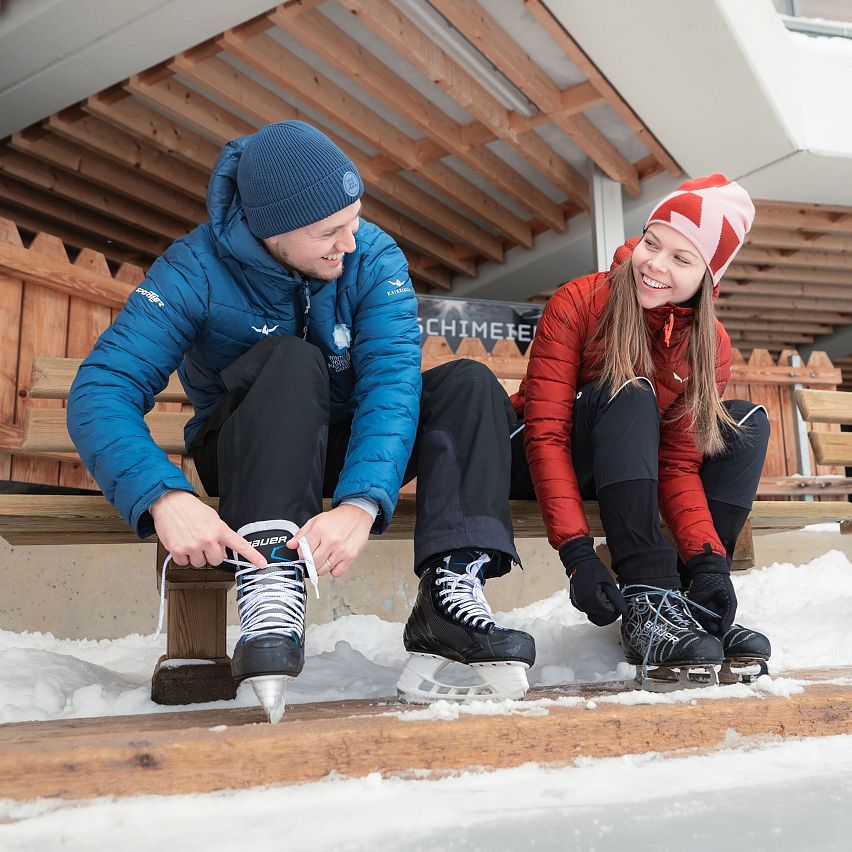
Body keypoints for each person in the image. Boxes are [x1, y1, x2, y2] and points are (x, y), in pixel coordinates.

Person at [67, 121, 534, 720]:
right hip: (248, 446)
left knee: (469, 383)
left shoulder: (373, 256)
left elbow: (391, 385)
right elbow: (101, 388)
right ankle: (269, 579)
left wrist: (360, 503)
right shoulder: (193, 270)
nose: (351, 239)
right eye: (328, 231)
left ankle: (451, 595)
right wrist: (163, 498)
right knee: (292, 358)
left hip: (344, 453)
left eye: (354, 217)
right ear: (270, 231)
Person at [509, 175, 771, 687]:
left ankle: (687, 601)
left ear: (707, 278)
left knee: (743, 424)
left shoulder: (709, 342)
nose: (654, 265)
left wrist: (709, 561)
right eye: (653, 243)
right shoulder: (582, 300)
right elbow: (546, 432)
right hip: (535, 463)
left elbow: (677, 462)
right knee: (630, 391)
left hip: (632, 473)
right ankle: (649, 594)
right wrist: (578, 552)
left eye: (682, 258)